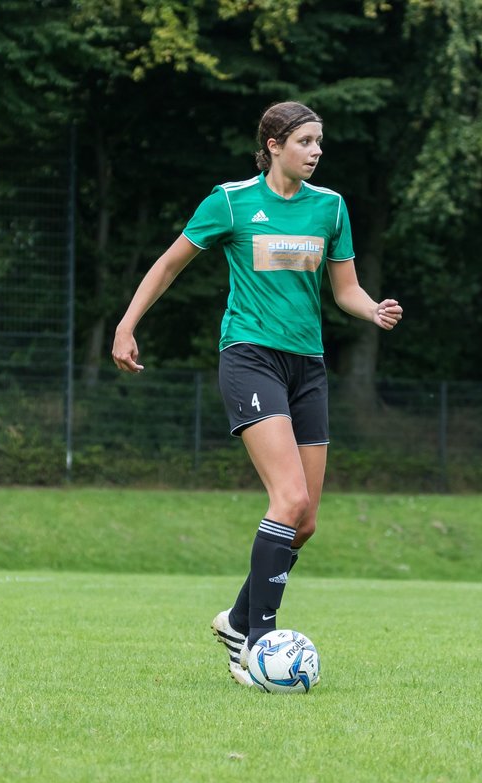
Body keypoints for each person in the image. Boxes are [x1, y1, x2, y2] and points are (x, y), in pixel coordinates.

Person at [111, 101, 403, 687]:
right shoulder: (230, 201)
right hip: (249, 359)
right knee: (288, 496)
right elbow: (169, 265)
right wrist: (126, 325)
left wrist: (370, 308)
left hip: (308, 368)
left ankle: (236, 619)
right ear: (273, 145)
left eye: (321, 142)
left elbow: (344, 288)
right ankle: (256, 640)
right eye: (306, 142)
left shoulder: (331, 208)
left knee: (306, 521)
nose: (317, 151)